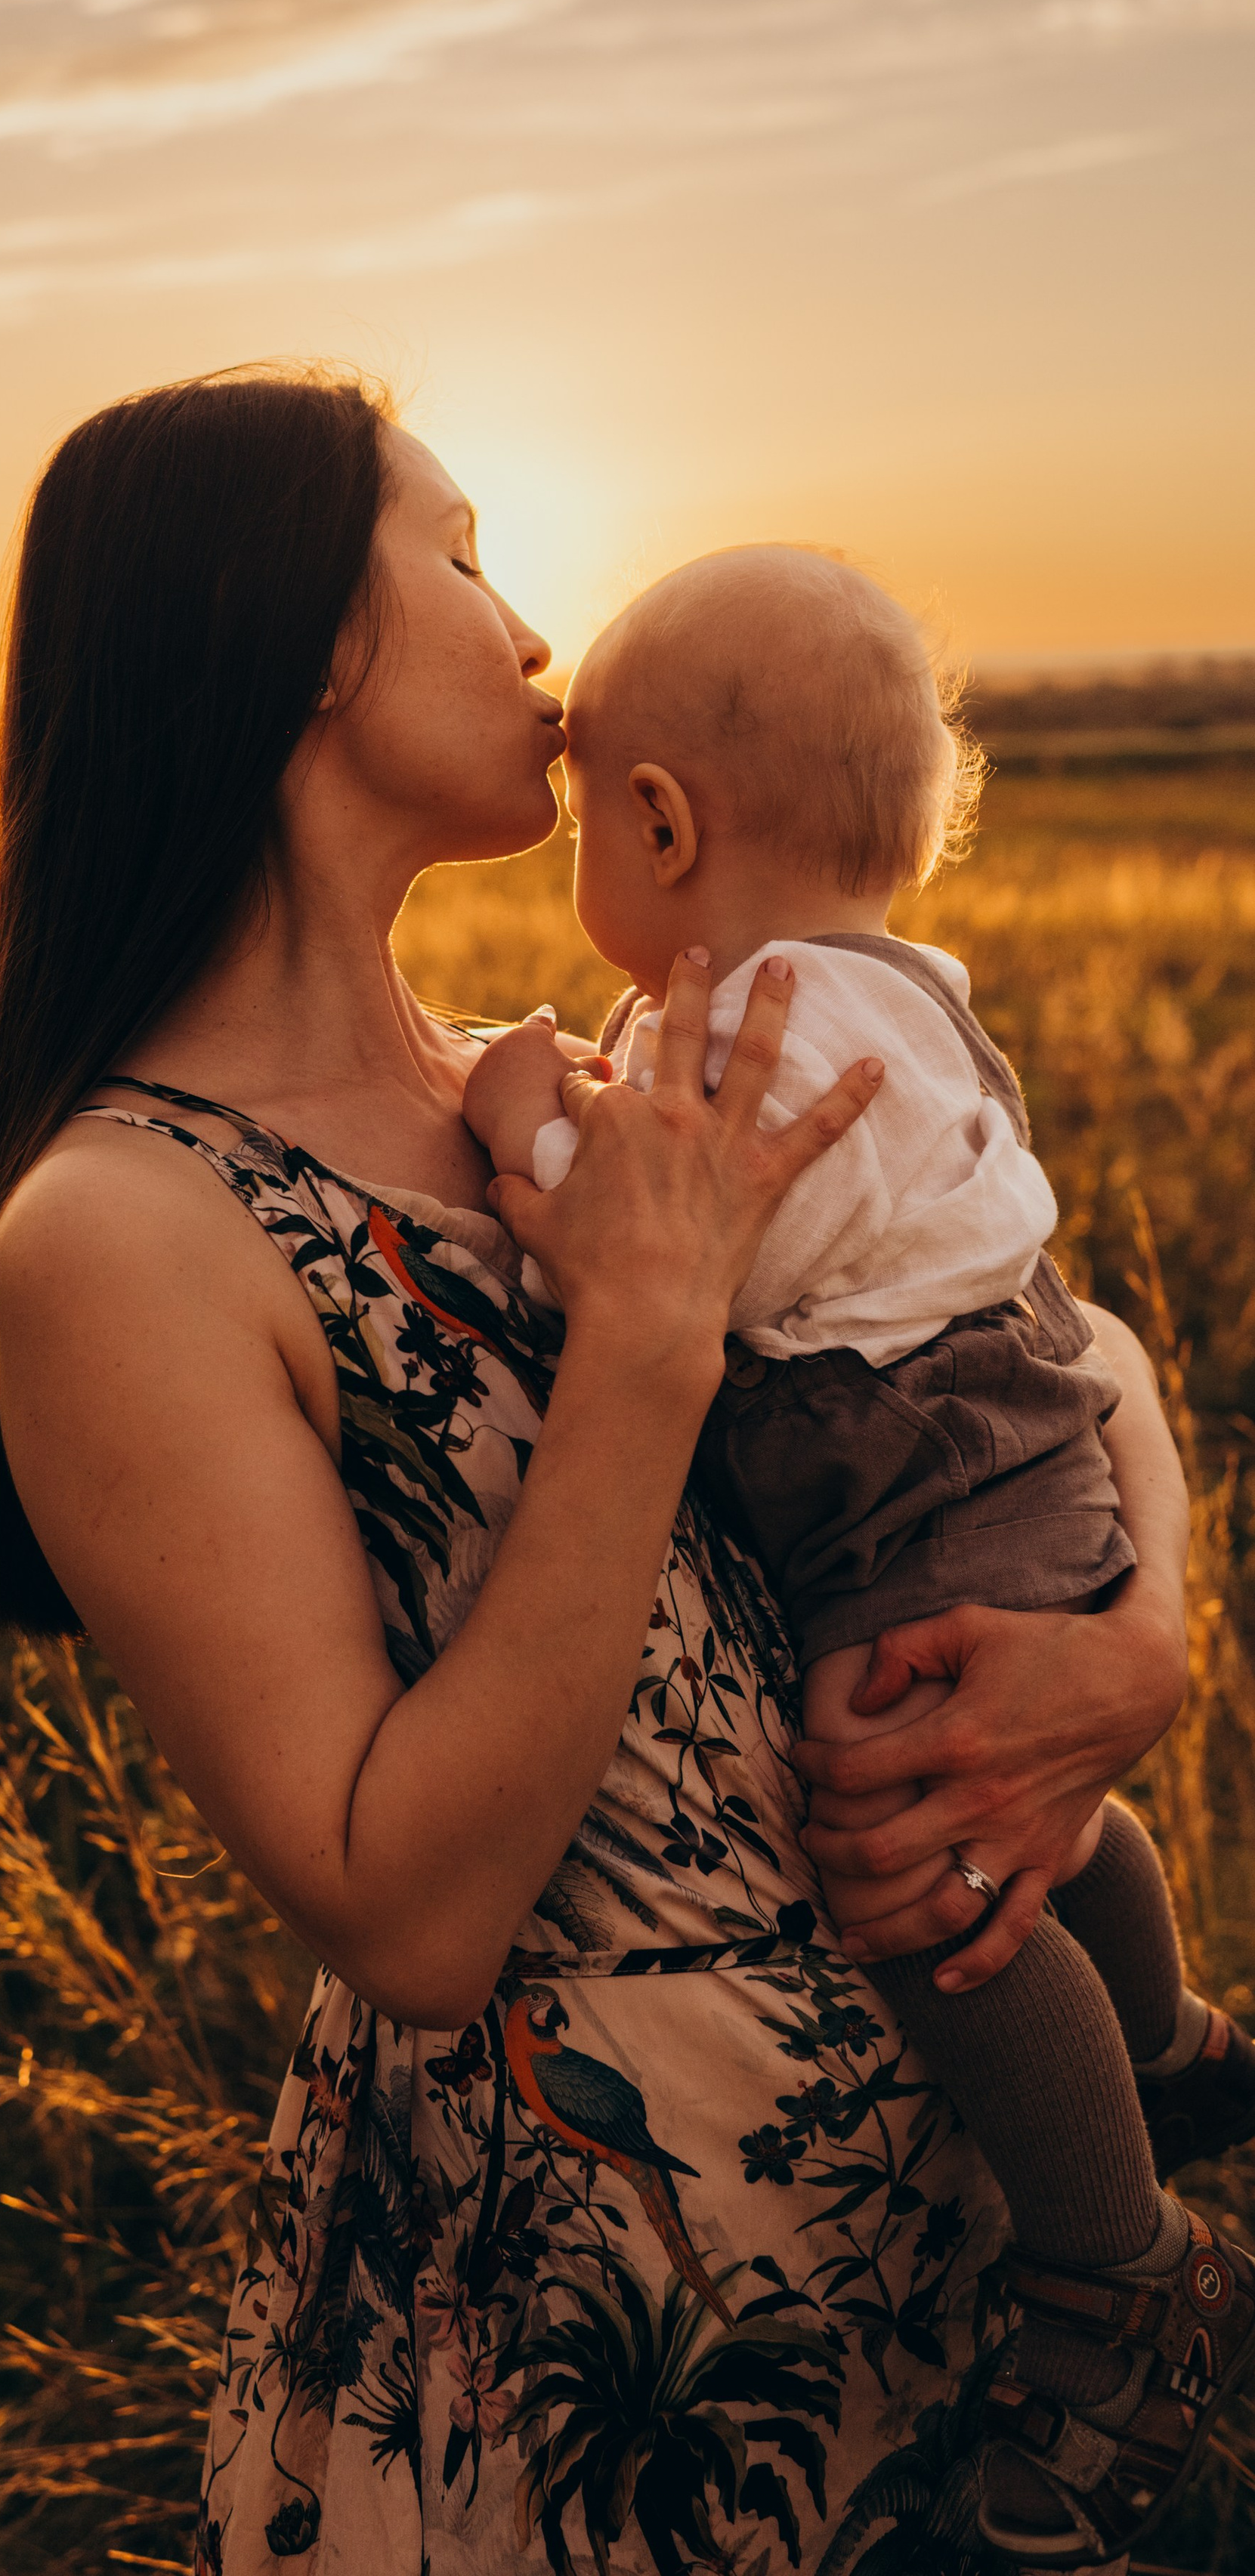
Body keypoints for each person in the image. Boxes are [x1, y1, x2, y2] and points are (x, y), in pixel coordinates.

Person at [0, 367, 1195, 2574]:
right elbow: (408, 1909)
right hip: (612, 2332)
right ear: (310, 632)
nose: (533, 637)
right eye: (465, 552)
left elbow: (1051, 1346)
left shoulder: (527, 1078)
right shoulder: (127, 1226)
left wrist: (1139, 1652)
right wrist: (647, 1336)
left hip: (962, 2217)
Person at [464, 542, 1255, 2563]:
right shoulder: (905, 988)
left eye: (586, 809)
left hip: (911, 1495)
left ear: (657, 822)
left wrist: (522, 1115)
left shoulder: (757, 1030)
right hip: (1028, 1453)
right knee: (1055, 1832)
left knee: (932, 1872)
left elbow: (670, 1255)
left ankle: (1115, 2265)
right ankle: (1164, 2049)